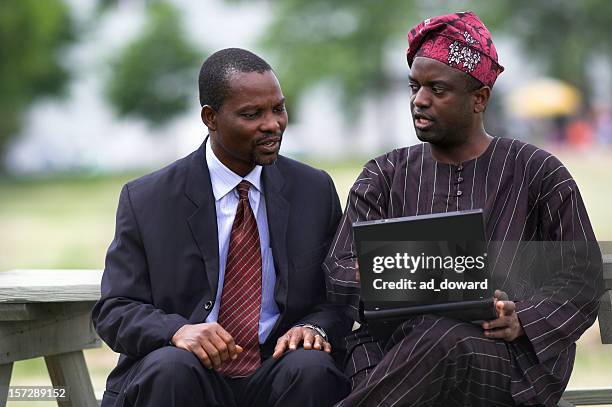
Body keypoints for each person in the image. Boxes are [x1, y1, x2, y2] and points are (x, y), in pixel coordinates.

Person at [324, 11, 603, 407]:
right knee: (417, 339)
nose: (419, 100)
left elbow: (582, 278)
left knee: (443, 335)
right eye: (415, 86)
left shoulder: (537, 172)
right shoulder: (384, 174)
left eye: (437, 89)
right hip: (392, 352)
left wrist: (520, 317)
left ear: (479, 99)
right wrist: (401, 280)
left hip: (503, 362)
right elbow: (338, 268)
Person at [92, 48, 351, 407]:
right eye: (252, 114)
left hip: (275, 367)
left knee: (312, 368)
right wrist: (176, 331)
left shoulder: (314, 190)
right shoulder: (148, 199)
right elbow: (115, 309)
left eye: (278, 109)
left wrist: (315, 328)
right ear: (210, 118)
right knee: (170, 367)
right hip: (188, 370)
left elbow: (338, 299)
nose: (272, 124)